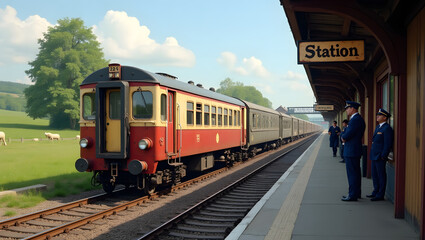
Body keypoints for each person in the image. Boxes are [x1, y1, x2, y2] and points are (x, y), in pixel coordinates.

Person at [340, 101, 365, 201]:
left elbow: (346, 135)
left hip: (351, 150)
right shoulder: (356, 119)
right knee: (355, 173)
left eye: (348, 108)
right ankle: (356, 193)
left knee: (352, 174)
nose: (346, 110)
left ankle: (352, 195)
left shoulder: (355, 120)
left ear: (353, 108)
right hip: (353, 150)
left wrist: (343, 136)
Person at [367, 108, 393, 201]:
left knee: (381, 175)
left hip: (380, 156)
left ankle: (380, 194)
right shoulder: (378, 127)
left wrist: (383, 156)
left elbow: (387, 144)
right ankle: (375, 191)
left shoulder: (387, 128)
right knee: (375, 175)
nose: (377, 116)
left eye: (380, 115)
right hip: (374, 155)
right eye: (377, 114)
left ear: (385, 118)